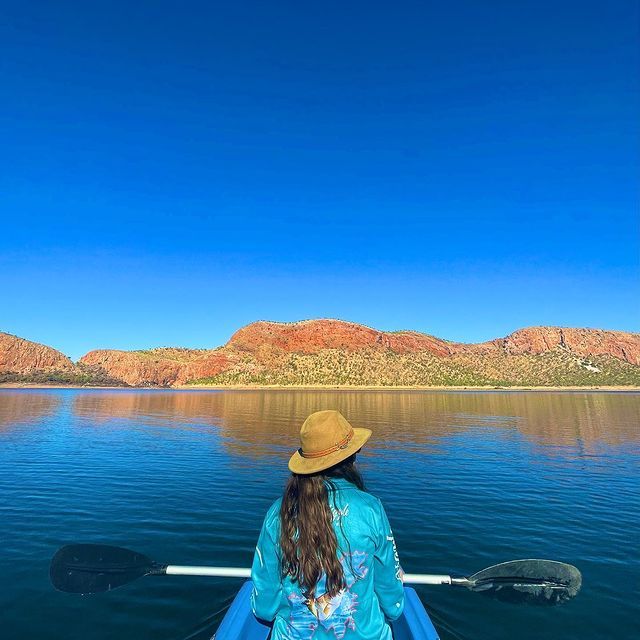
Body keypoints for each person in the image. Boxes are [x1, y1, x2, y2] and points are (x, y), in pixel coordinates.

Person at [250, 409, 405, 639]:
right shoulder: (371, 509)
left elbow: (264, 605)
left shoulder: (278, 513)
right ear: (351, 459)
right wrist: (395, 606)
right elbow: (392, 601)